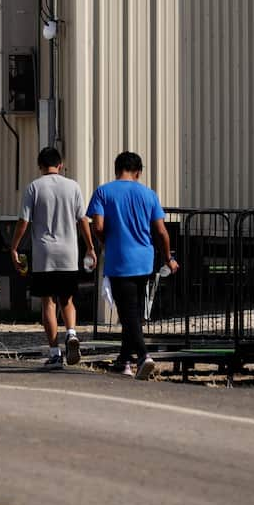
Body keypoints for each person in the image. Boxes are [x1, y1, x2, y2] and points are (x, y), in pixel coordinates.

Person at [86, 151, 178, 380]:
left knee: (128, 314)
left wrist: (107, 241)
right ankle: (124, 361)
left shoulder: (103, 192)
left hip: (119, 260)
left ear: (117, 169)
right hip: (144, 260)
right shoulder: (148, 194)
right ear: (138, 172)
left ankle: (144, 356)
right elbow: (161, 232)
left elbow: (97, 226)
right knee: (133, 311)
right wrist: (168, 258)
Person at [9, 147, 96, 369]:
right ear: (60, 165)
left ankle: (55, 353)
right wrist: (90, 247)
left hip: (44, 252)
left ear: (40, 166)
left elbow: (24, 221)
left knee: (48, 302)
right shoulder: (73, 186)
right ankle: (72, 333)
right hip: (68, 251)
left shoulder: (34, 187)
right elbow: (82, 219)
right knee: (67, 299)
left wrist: (15, 246)